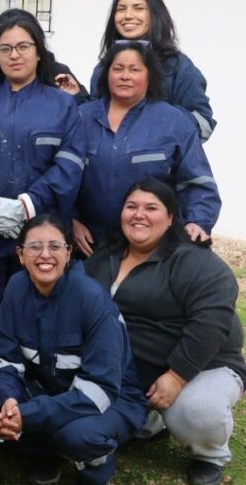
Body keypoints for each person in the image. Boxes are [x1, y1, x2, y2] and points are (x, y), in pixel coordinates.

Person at [85, 179, 245, 485]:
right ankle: (152, 422)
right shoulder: (105, 255)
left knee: (194, 412)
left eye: (151, 208)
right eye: (131, 206)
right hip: (133, 367)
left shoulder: (192, 260)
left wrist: (178, 375)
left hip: (204, 364)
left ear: (171, 217)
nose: (139, 215)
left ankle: (209, 454)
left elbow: (212, 321)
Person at [0, 214, 147, 485]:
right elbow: (4, 358)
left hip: (111, 397)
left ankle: (97, 464)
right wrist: (9, 401)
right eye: (35, 247)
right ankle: (47, 456)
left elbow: (100, 388)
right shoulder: (17, 287)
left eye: (55, 246)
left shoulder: (90, 297)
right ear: (20, 254)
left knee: (78, 435)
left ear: (68, 253)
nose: (45, 255)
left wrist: (28, 415)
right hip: (51, 389)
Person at [0, 10, 84, 319]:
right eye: (5, 48)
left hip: (39, 230)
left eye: (23, 46)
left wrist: (25, 206)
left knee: (39, 310)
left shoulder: (62, 105)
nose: (14, 55)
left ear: (38, 51)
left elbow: (69, 166)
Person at [74, 43, 219, 256]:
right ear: (106, 75)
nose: (125, 76)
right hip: (89, 246)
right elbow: (61, 177)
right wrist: (70, 220)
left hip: (153, 247)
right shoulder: (79, 118)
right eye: (118, 69)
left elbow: (197, 181)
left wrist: (198, 222)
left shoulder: (173, 121)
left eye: (134, 69)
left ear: (150, 76)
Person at [91, 0, 215, 141]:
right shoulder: (103, 68)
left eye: (138, 8)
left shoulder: (177, 65)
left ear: (155, 14)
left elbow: (203, 124)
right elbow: (94, 121)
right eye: (121, 9)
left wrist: (156, 117)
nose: (128, 15)